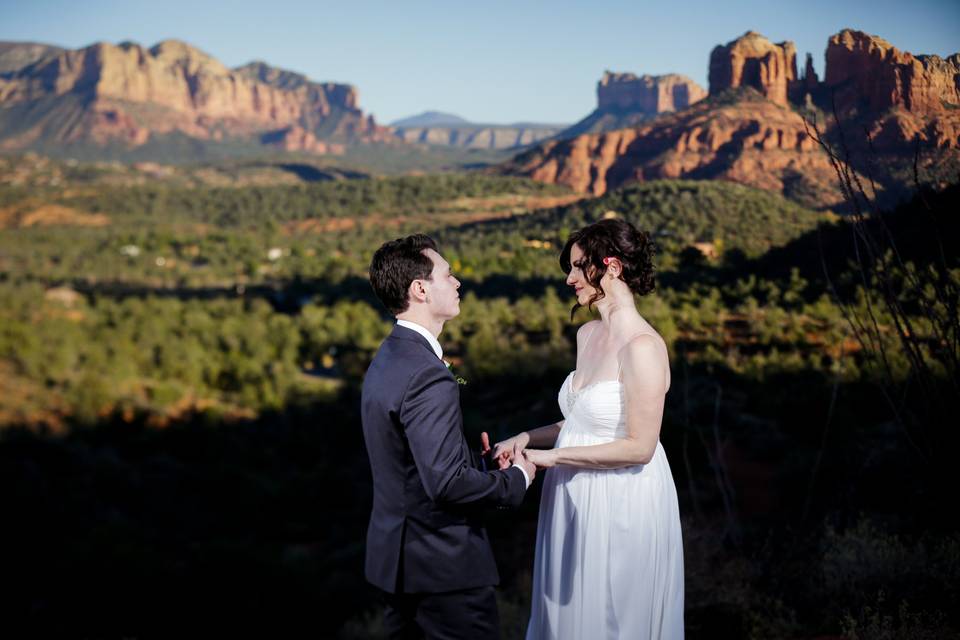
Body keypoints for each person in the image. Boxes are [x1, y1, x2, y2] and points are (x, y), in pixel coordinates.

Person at [494, 219, 684, 639]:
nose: (570, 278)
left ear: (612, 267)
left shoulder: (644, 347)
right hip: (570, 495)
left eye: (580, 267)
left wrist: (554, 457)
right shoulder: (587, 334)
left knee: (613, 617)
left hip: (622, 499)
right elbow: (583, 419)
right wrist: (526, 438)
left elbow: (640, 447)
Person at [362, 233, 537, 639]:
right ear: (420, 289)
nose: (458, 283)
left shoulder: (389, 357)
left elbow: (412, 465)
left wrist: (478, 464)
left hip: (398, 564)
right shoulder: (426, 373)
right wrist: (516, 479)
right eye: (449, 274)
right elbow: (445, 483)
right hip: (443, 570)